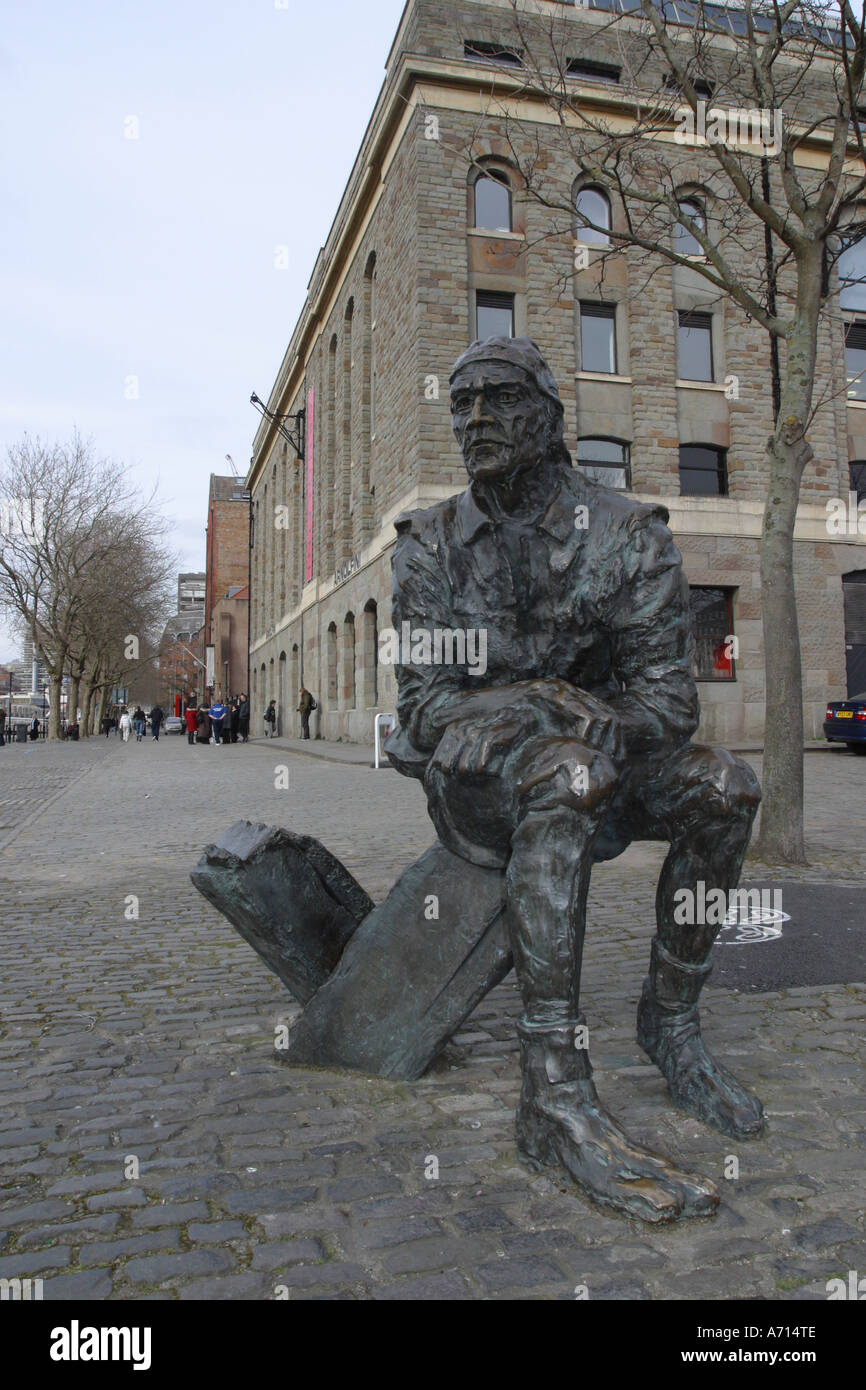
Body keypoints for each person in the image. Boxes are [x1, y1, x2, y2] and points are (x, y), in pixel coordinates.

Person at [382, 336, 762, 1222]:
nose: (475, 420)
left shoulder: (627, 536)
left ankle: (670, 1024)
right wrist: (535, 706)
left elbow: (668, 708)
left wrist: (555, 712)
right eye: (463, 405)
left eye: (498, 401)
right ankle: (552, 1091)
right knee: (567, 771)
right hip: (479, 785)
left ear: (548, 418)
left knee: (726, 788)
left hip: (610, 761)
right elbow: (426, 708)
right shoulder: (429, 548)